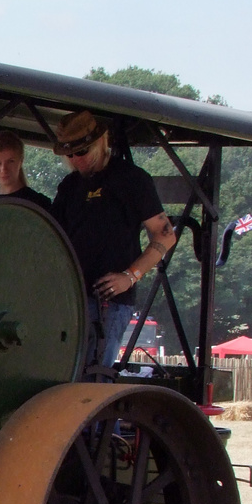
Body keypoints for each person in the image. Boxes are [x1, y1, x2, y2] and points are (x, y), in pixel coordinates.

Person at [49, 111, 177, 368]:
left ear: (99, 142)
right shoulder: (69, 186)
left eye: (81, 152)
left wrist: (130, 276)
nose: (75, 160)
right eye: (69, 155)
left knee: (92, 377)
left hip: (109, 302)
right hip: (69, 299)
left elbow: (166, 235)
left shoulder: (132, 179)